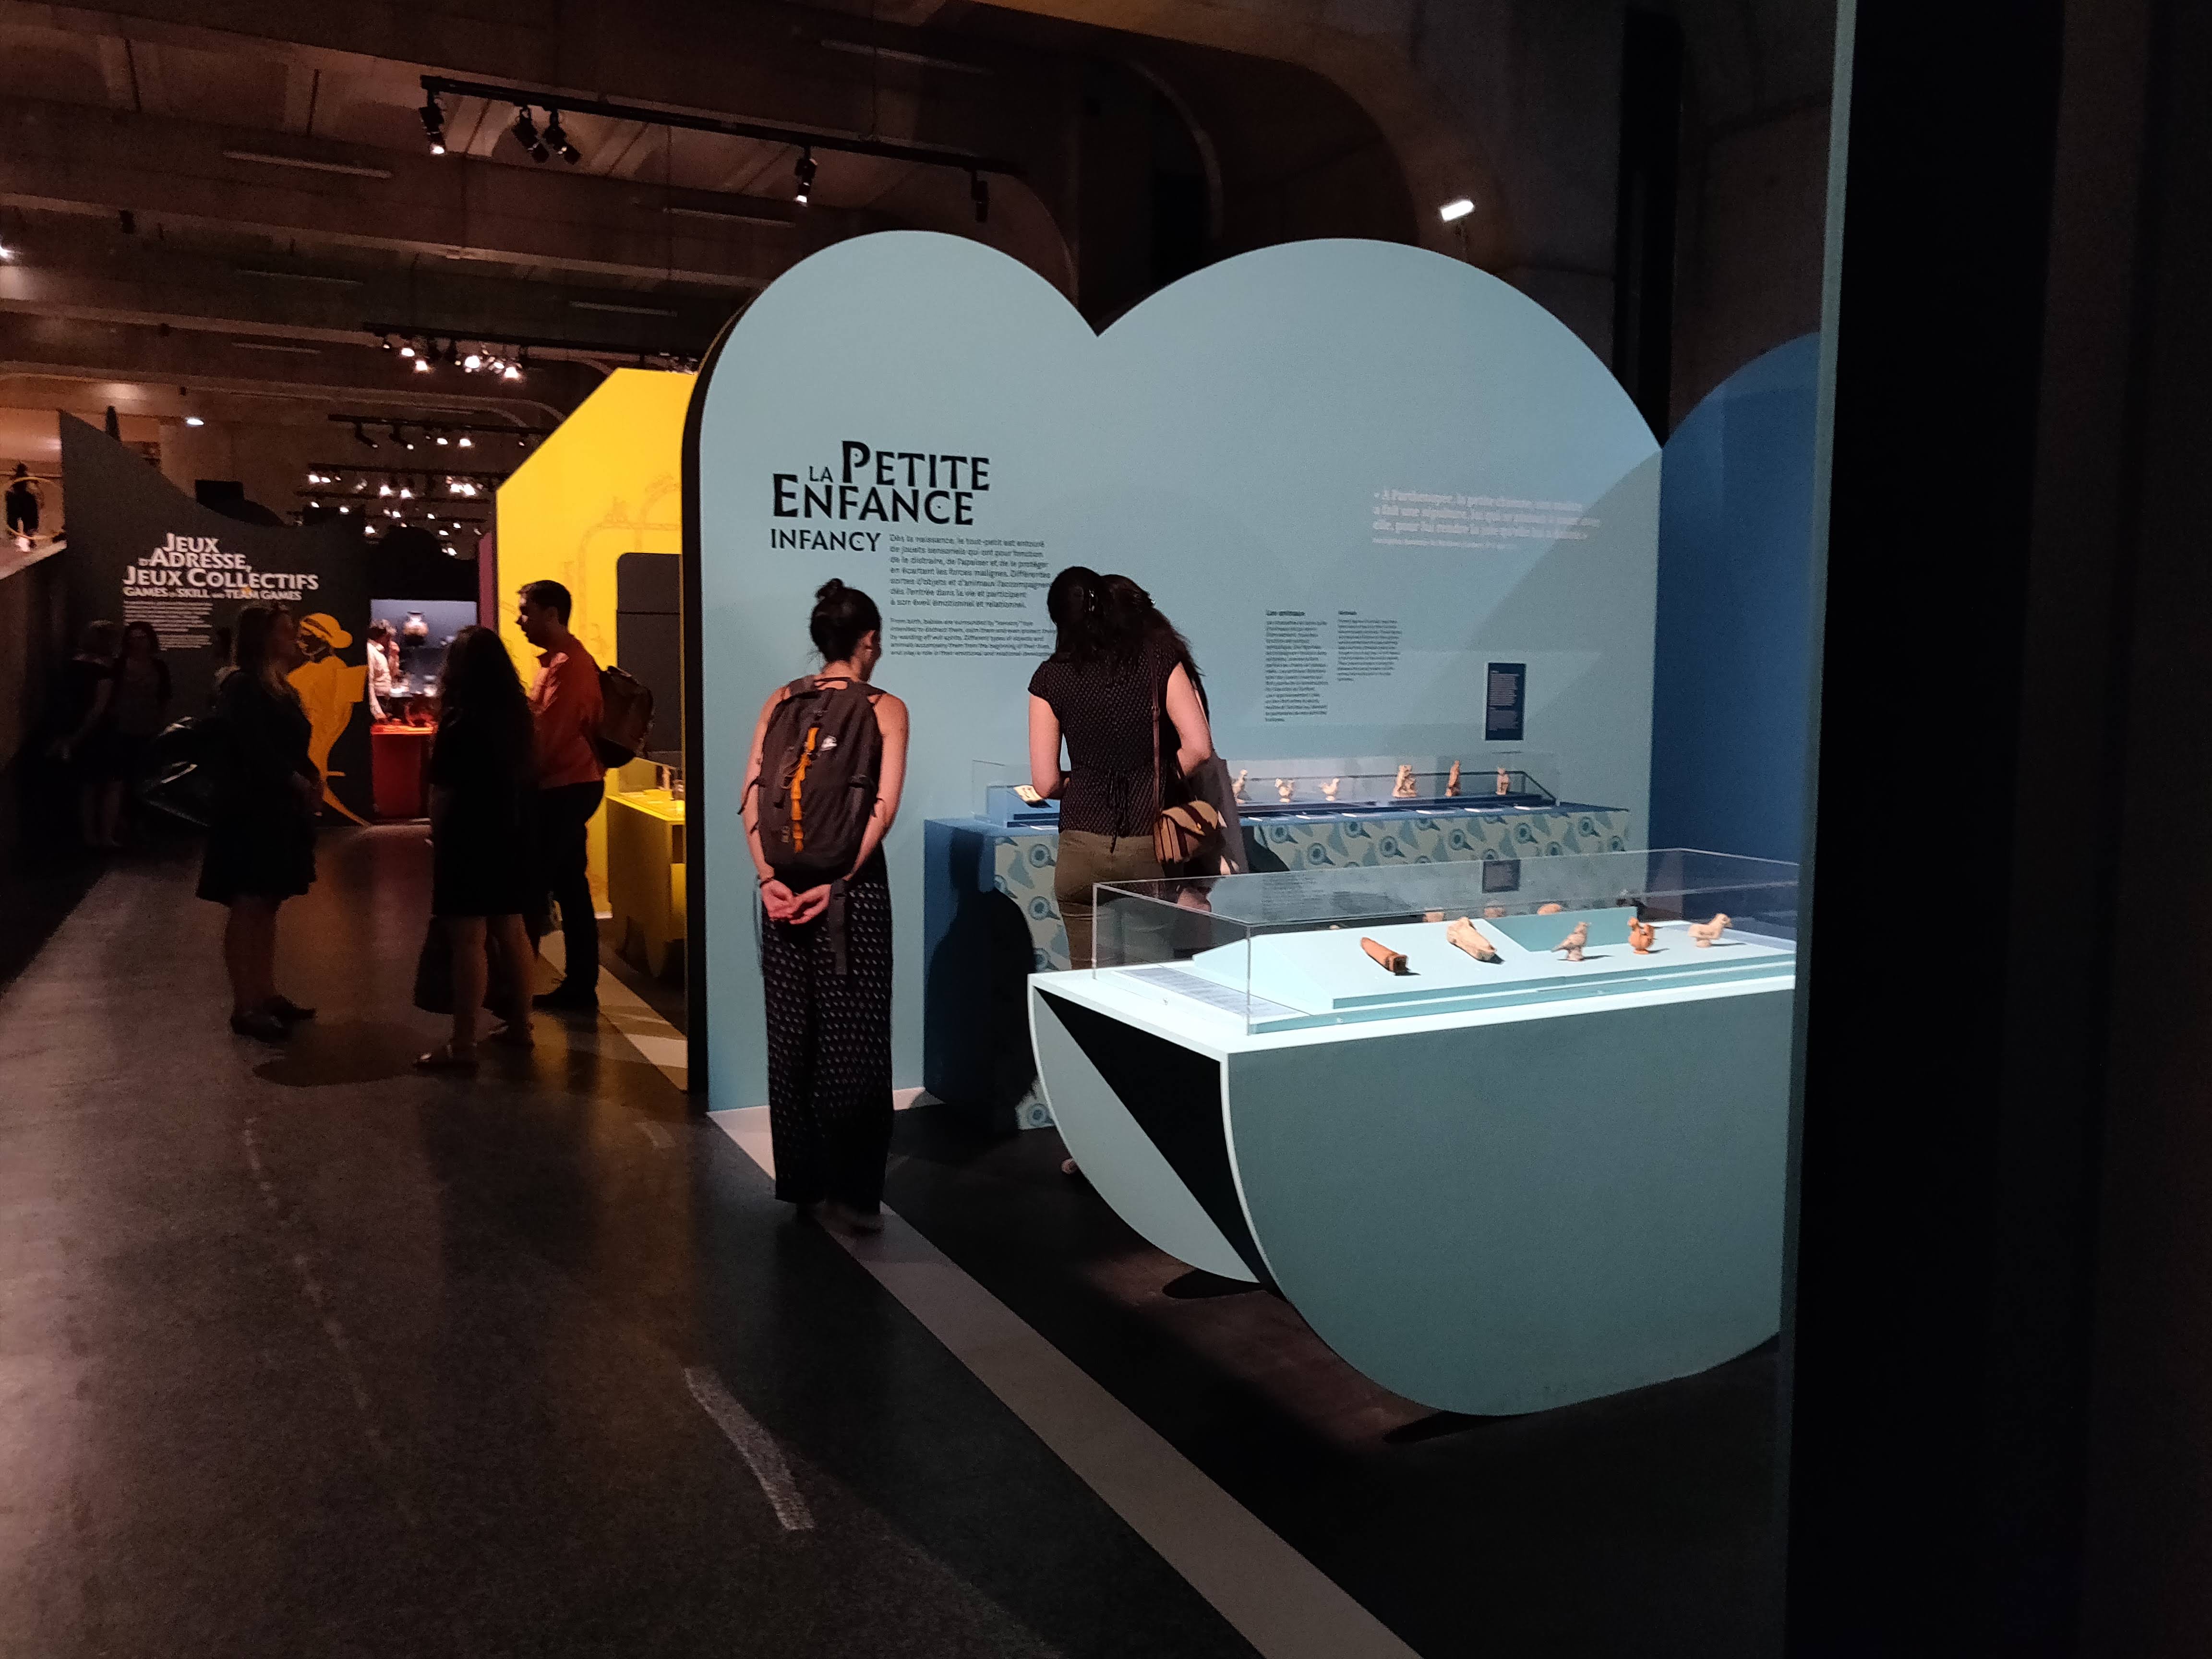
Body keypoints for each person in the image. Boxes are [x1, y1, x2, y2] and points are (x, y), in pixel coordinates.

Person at [742, 580, 909, 1233]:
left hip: (782, 889)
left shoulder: (781, 700)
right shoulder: (886, 707)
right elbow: (882, 809)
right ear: (870, 640)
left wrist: (767, 879)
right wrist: (839, 881)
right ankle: (856, 1196)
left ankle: (803, 1184)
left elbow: (752, 795)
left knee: (793, 1039)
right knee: (856, 1038)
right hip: (853, 895)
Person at [1027, 566, 1214, 967]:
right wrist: (1153, 781)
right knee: (1148, 981)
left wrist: (1083, 784)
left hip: (1080, 848)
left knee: (1087, 984)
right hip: (1145, 844)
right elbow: (1199, 749)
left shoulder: (1049, 678)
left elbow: (1045, 784)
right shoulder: (1158, 661)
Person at [415, 625, 537, 1073]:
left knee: (469, 939)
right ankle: (522, 1026)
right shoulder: (518, 715)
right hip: (511, 831)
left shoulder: (459, 720)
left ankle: (463, 1043)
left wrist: (437, 832)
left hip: (467, 835)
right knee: (512, 929)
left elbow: (443, 790)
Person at [197, 603, 321, 1043]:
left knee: (267, 901)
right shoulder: (245, 686)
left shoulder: (275, 687)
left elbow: (284, 746)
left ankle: (265, 994)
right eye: (286, 631)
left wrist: (309, 776)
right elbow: (252, 746)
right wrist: (294, 778)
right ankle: (246, 1004)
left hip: (275, 809)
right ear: (264, 637)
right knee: (250, 902)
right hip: (251, 811)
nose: (294, 638)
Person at [1100, 573, 1246, 876]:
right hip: (1174, 800)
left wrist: (1148, 784)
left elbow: (1198, 749)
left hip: (1177, 807)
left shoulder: (1161, 666)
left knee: (1180, 886)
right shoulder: (1164, 660)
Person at [516, 579, 606, 1010]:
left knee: (537, 887)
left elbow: (547, 740)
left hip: (564, 787)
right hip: (570, 785)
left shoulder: (567, 667)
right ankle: (579, 986)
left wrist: (520, 782)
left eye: (526, 612)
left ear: (551, 614)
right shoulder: (562, 662)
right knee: (570, 887)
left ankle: (518, 989)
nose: (520, 621)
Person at [107, 621, 172, 844]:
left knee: (146, 778)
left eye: (142, 638)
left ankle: (141, 825)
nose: (137, 643)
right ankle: (121, 824)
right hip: (122, 728)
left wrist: (160, 723)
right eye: (133, 638)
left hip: (148, 728)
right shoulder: (119, 665)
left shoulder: (159, 667)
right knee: (121, 779)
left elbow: (164, 697)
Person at [365, 619, 395, 721]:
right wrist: (377, 711)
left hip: (384, 701)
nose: (390, 641)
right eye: (388, 638)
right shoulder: (370, 651)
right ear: (383, 636)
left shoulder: (379, 652)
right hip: (378, 701)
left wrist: (394, 656)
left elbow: (389, 675)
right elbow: (369, 682)